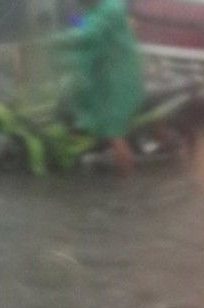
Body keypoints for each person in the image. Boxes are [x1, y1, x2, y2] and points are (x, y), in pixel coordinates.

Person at [53, 0, 144, 176]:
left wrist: (55, 40)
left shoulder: (111, 8)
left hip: (119, 78)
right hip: (104, 70)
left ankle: (127, 186)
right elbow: (83, 26)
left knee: (113, 132)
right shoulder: (92, 10)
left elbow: (89, 33)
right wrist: (70, 26)